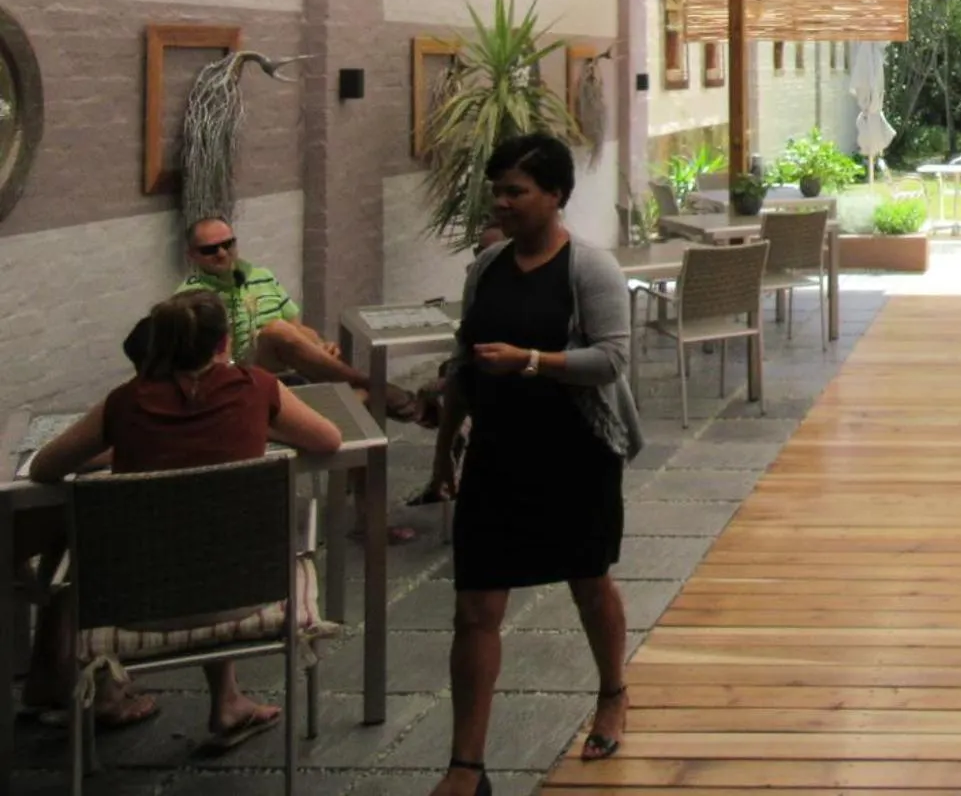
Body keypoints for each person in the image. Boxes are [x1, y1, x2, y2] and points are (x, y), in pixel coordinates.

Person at [24, 292, 343, 751]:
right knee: (211, 534)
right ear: (224, 343)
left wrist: (114, 452)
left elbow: (44, 468)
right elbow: (327, 439)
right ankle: (227, 701)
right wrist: (260, 427)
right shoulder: (256, 388)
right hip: (248, 593)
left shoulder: (124, 404)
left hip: (134, 603)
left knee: (100, 539)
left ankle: (73, 686)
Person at [427, 133, 642, 796]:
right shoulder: (485, 269)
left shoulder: (589, 269)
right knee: (475, 610)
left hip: (575, 455)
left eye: (516, 191)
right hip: (497, 457)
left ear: (554, 195)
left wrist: (530, 360)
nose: (503, 202)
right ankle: (467, 765)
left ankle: (613, 692)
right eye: (498, 190)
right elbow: (466, 361)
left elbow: (611, 359)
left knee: (588, 583)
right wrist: (442, 452)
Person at [177, 216, 420, 422]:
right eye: (210, 249)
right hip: (236, 379)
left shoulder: (261, 276)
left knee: (359, 399)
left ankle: (374, 413)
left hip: (285, 373)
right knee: (275, 331)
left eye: (227, 244)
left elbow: (298, 328)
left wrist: (318, 346)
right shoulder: (191, 297)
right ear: (192, 256)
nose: (221, 253)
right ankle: (379, 387)